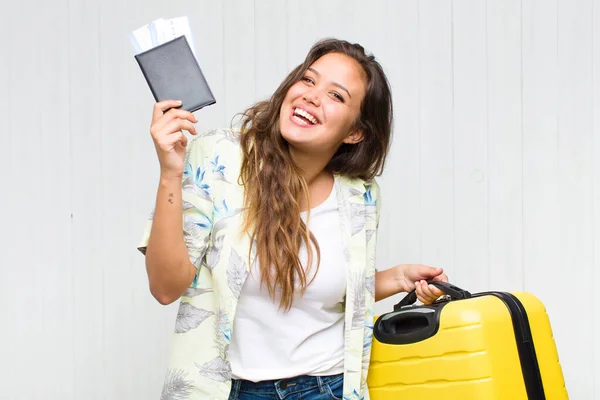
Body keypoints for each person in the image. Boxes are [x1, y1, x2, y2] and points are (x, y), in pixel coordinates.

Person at [138, 38, 449, 400]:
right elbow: (165, 287)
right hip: (230, 391)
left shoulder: (359, 195)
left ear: (354, 132)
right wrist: (170, 172)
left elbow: (321, 293)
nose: (312, 96)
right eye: (308, 80)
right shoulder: (217, 158)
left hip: (327, 388)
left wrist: (398, 277)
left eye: (337, 96)